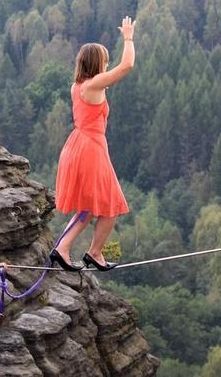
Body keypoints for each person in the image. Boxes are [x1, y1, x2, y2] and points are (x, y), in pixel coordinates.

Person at [51, 16, 136, 272]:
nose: (107, 65)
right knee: (110, 205)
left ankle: (68, 249)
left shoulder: (77, 86)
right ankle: (90, 252)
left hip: (79, 144)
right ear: (97, 64)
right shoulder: (93, 85)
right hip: (90, 148)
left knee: (90, 206)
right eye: (105, 61)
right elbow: (127, 66)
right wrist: (129, 38)